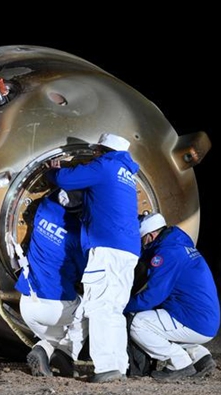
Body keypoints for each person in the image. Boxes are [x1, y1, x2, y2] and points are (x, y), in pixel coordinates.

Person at [44, 132, 140, 383]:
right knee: (113, 307)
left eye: (96, 151)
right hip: (128, 250)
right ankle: (117, 365)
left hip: (107, 247)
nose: (93, 155)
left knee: (99, 307)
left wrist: (52, 172)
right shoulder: (127, 174)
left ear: (102, 150)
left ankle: (106, 366)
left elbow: (67, 178)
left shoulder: (105, 166)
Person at [125, 212, 220, 381]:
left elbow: (152, 296)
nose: (141, 245)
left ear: (151, 235)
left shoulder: (167, 254)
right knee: (160, 323)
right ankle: (200, 357)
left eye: (142, 239)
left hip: (193, 320)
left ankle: (179, 363)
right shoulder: (179, 245)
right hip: (205, 320)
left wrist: (123, 307)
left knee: (138, 324)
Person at [16, 188, 87, 377]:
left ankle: (44, 351)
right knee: (90, 310)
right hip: (54, 307)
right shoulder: (76, 235)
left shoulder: (43, 210)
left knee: (57, 334)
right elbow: (85, 272)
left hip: (26, 304)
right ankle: (66, 354)